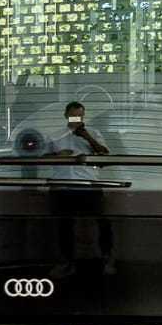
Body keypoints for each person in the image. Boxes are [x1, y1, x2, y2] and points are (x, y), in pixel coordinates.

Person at [50, 101, 115, 277]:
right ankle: (66, 262)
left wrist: (88, 138)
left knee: (103, 221)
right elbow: (41, 156)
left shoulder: (93, 133)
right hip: (62, 184)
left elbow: (105, 155)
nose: (76, 119)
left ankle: (107, 258)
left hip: (88, 184)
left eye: (79, 115)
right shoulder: (54, 136)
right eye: (73, 115)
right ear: (66, 116)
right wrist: (57, 156)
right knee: (64, 225)